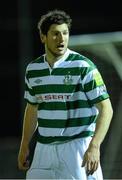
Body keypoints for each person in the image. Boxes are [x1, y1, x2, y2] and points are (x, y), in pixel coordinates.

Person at [18, 9, 113, 179]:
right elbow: (32, 108)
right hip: (43, 148)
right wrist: (25, 143)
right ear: (43, 37)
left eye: (65, 33)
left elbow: (106, 108)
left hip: (76, 147)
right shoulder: (33, 69)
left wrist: (94, 146)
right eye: (55, 34)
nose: (61, 39)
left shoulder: (83, 66)